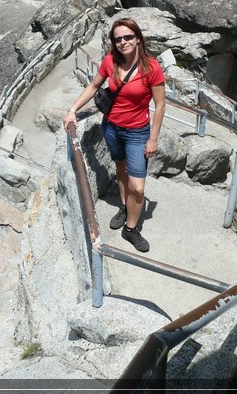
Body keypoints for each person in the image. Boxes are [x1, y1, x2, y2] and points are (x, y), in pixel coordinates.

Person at [63, 18, 166, 253]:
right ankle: (123, 207)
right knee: (120, 168)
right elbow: (93, 86)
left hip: (138, 133)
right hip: (111, 127)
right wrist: (72, 110)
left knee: (138, 187)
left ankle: (131, 229)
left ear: (138, 38)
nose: (123, 42)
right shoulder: (111, 61)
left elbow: (160, 106)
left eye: (128, 37)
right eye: (118, 38)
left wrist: (153, 138)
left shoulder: (151, 68)